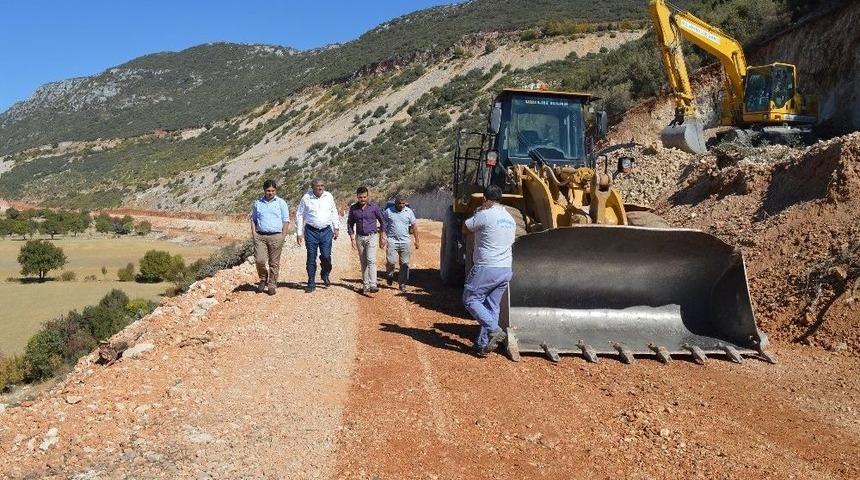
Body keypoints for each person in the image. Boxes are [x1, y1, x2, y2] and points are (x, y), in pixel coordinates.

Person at [461, 185, 516, 356]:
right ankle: (483, 345)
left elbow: (465, 228)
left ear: (485, 199)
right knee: (492, 306)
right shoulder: (510, 219)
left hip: (487, 267)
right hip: (506, 268)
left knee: (470, 299)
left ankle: (494, 329)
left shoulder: (485, 215)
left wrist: (477, 212)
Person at [296, 178, 340, 293]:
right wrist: (299, 233)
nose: (320, 188)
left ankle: (325, 273)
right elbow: (300, 214)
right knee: (311, 257)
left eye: (322, 185)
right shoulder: (306, 198)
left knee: (326, 256)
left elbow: (334, 211)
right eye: (317, 186)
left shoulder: (328, 196)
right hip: (311, 231)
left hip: (326, 231)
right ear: (312, 187)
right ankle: (311, 282)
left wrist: (336, 227)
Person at [250, 179, 290, 296]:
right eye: (268, 191)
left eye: (273, 190)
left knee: (274, 263)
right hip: (261, 236)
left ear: (275, 190)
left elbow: (286, 220)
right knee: (259, 260)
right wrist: (254, 234)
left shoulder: (281, 203)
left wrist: (283, 236)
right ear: (264, 190)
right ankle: (263, 279)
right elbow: (253, 219)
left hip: (276, 236)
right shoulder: (258, 203)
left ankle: (272, 284)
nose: (270, 193)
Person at [347, 186, 386, 294]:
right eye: (360, 197)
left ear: (367, 196)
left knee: (371, 259)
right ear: (357, 197)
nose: (362, 199)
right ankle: (366, 285)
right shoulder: (354, 208)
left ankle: (373, 284)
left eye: (364, 197)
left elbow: (382, 221)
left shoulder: (374, 207)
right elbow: (350, 223)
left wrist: (382, 236)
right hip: (360, 237)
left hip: (372, 236)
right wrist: (352, 238)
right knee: (363, 262)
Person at [382, 196, 419, 292]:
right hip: (392, 241)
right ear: (395, 203)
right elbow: (383, 225)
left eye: (403, 203)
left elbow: (414, 226)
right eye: (399, 203)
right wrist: (382, 238)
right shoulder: (388, 211)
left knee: (405, 264)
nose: (402, 205)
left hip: (405, 242)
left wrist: (417, 240)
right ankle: (390, 274)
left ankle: (402, 283)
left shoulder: (409, 212)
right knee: (391, 261)